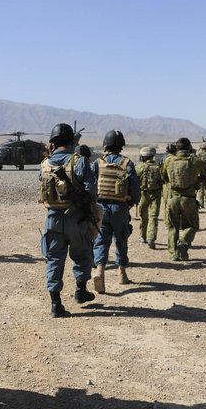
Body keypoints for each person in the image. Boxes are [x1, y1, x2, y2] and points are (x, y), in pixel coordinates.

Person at [39, 123, 97, 317]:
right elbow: (91, 191)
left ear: (52, 143)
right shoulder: (79, 161)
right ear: (72, 142)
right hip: (77, 219)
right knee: (82, 255)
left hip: (53, 219)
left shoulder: (45, 164)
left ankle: (56, 304)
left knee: (54, 259)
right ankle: (81, 291)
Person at [91, 130, 140, 291]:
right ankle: (122, 273)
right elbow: (135, 189)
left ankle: (100, 271)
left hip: (102, 208)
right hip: (120, 208)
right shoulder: (127, 163)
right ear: (121, 146)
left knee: (101, 241)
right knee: (121, 240)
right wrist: (130, 203)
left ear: (106, 145)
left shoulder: (98, 163)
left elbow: (91, 185)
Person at [160, 137, 205, 261]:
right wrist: (196, 182)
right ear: (189, 148)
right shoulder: (196, 161)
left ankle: (174, 254)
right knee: (192, 225)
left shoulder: (168, 161)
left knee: (172, 226)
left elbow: (163, 176)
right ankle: (183, 242)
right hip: (189, 199)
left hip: (172, 198)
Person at [135, 146, 163, 249]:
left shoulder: (139, 167)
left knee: (143, 216)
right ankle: (151, 238)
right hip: (156, 194)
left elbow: (134, 181)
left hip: (143, 194)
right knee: (153, 217)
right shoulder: (159, 167)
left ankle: (143, 236)